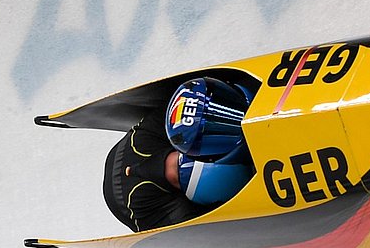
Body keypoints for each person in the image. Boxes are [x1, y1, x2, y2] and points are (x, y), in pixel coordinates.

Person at [102, 76, 256, 233]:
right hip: (134, 209)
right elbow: (221, 233)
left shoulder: (158, 130)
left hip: (137, 146)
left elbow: (192, 95)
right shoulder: (177, 212)